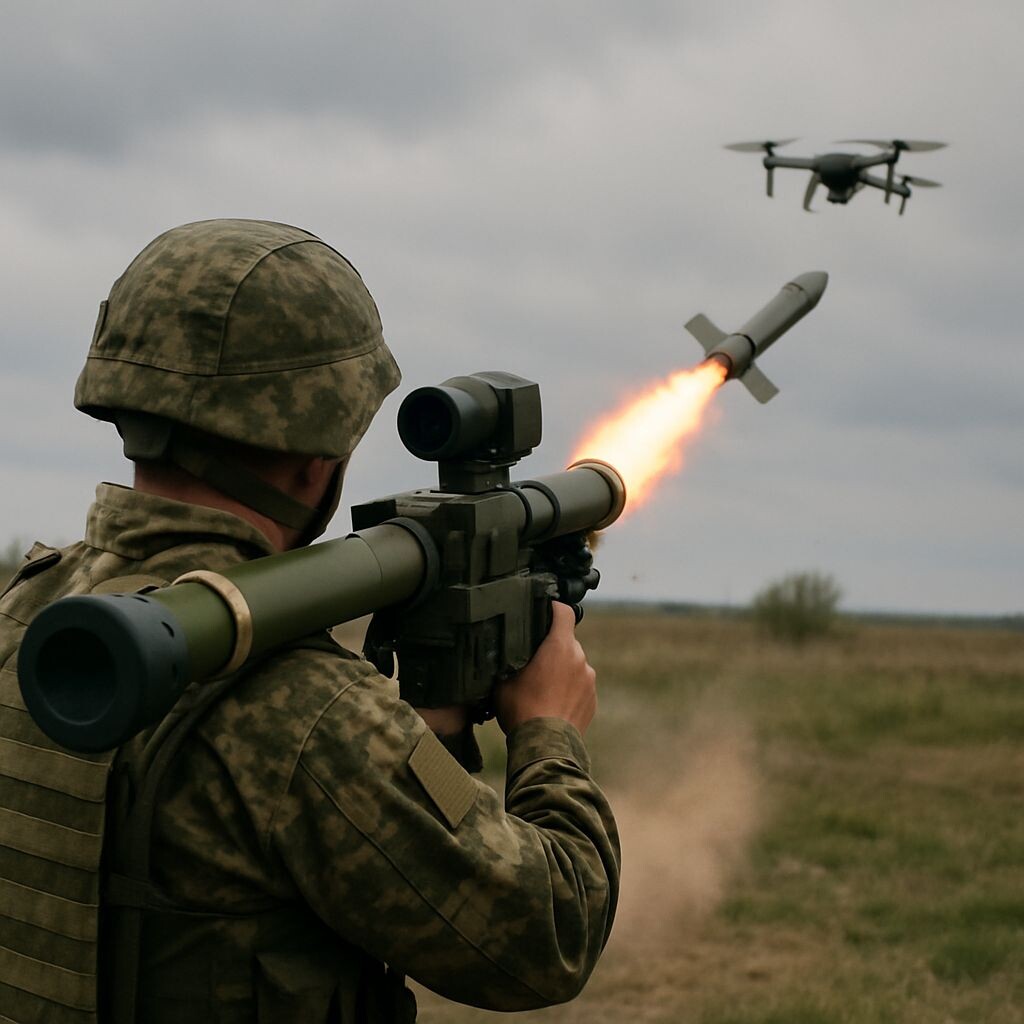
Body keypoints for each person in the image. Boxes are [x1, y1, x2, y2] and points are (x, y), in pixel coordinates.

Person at [0, 219, 620, 1023]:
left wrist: (414, 739)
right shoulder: (303, 711)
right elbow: (549, 937)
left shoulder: (26, 608)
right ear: (318, 452)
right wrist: (549, 730)